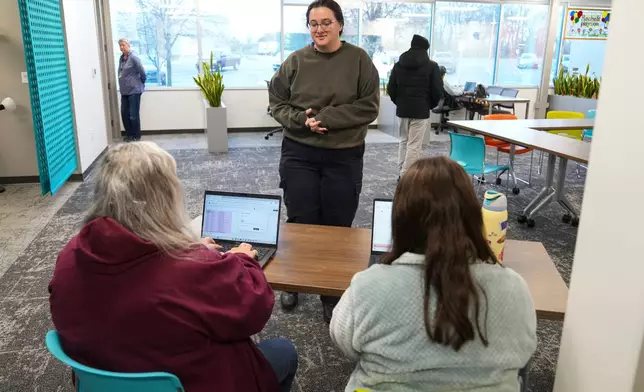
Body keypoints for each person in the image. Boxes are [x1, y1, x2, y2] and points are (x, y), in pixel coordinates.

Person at [49, 142, 298, 392]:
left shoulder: (70, 256)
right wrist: (242, 258)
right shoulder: (191, 271)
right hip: (195, 382)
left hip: (106, 379)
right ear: (163, 198)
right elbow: (254, 310)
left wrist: (188, 250)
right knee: (283, 351)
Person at [330, 156, 537, 392]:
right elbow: (525, 352)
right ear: (472, 216)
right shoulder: (514, 288)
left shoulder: (367, 287)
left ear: (400, 219)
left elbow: (344, 344)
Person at [269, 0, 380, 322]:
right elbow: (276, 102)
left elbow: (369, 106)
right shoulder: (296, 61)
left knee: (337, 224)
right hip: (299, 152)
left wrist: (326, 118)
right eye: (314, 23)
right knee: (301, 220)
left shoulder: (359, 59)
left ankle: (330, 292)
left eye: (326, 22)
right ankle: (294, 281)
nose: (319, 29)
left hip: (343, 154)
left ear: (340, 25)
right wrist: (302, 121)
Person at [387, 35, 443, 179]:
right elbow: (437, 90)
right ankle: (406, 175)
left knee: (403, 140)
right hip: (421, 110)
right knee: (414, 144)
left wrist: (399, 102)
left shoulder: (399, 64)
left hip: (403, 109)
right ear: (426, 49)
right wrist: (429, 105)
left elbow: (391, 88)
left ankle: (401, 170)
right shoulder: (432, 66)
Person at [117, 38, 146, 142]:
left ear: (128, 45)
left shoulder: (134, 57)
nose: (121, 47)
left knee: (133, 114)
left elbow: (142, 71)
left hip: (134, 90)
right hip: (124, 91)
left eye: (123, 45)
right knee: (124, 113)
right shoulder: (122, 58)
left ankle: (136, 136)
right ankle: (129, 135)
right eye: (120, 45)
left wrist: (142, 82)